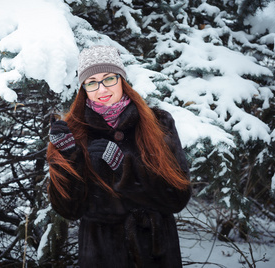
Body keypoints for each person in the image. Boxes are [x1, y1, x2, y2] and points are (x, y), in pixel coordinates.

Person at [47, 45, 191, 268]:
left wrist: (126, 169)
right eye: (92, 82)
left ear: (122, 79)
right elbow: (68, 210)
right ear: (83, 87)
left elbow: (177, 198)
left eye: (109, 78)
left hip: (156, 254)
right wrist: (68, 159)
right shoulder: (75, 132)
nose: (102, 88)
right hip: (102, 254)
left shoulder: (158, 123)